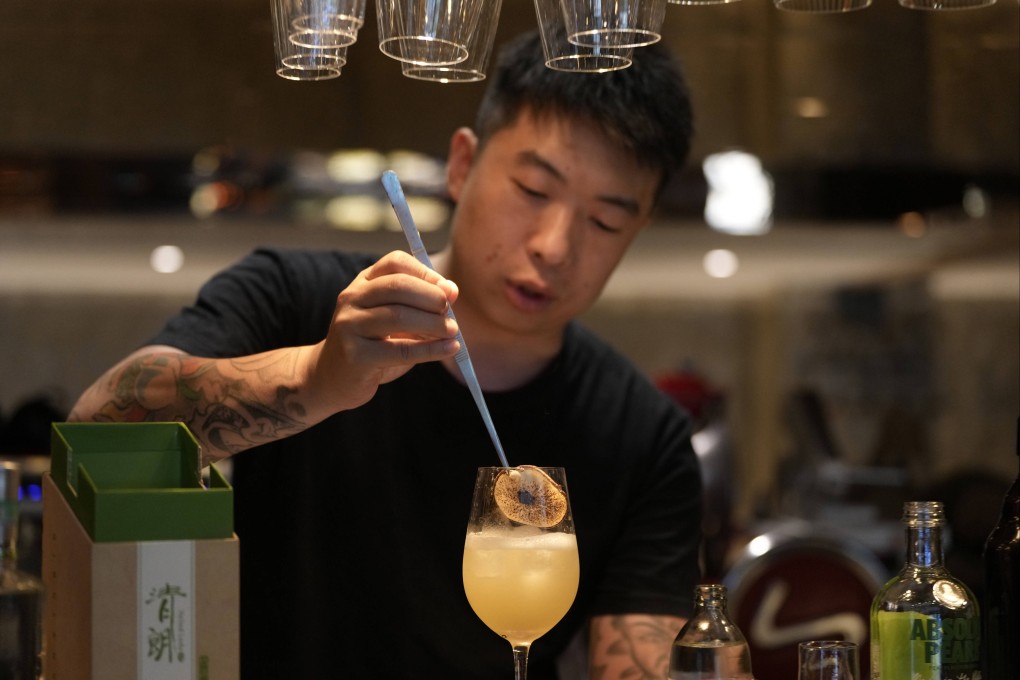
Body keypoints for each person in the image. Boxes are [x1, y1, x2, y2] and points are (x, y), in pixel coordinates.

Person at [69, 29, 702, 679]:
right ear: (462, 164)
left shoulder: (644, 437)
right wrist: (318, 376)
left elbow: (640, 657)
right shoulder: (292, 298)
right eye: (534, 191)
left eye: (604, 221)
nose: (555, 245)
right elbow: (99, 429)